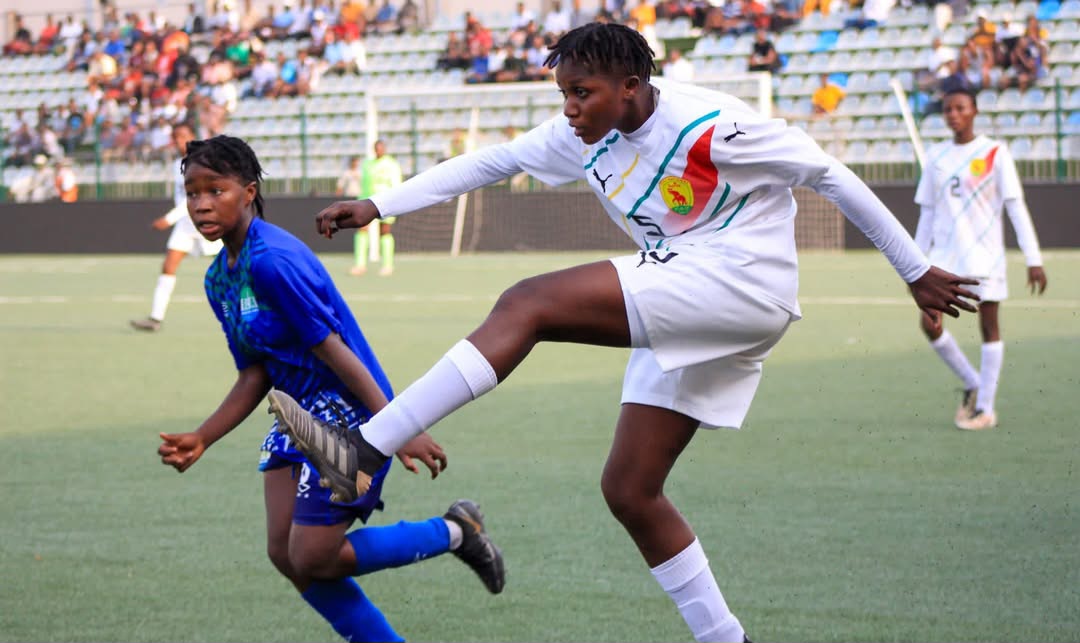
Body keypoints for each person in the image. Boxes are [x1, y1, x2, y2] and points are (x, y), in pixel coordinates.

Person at [271, 23, 977, 642]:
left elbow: (828, 175)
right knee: (630, 490)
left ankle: (363, 449)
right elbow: (494, 162)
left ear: (633, 86)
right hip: (685, 286)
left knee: (529, 302)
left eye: (583, 94)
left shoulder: (711, 125)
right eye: (565, 95)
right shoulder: (580, 133)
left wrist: (914, 269)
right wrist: (379, 203)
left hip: (741, 281)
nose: (571, 110)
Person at [156, 134, 505, 643]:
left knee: (313, 555)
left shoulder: (273, 261)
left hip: (348, 413)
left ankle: (455, 532)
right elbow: (254, 371)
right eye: (192, 192)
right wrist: (204, 436)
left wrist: (399, 425)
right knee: (286, 555)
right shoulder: (219, 279)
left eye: (217, 189)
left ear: (249, 192)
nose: (202, 203)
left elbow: (334, 349)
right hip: (295, 415)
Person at [913, 89, 1047, 431]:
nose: (953, 115)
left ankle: (985, 408)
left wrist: (1034, 259)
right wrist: (913, 262)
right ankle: (974, 383)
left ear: (974, 111)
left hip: (985, 257)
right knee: (929, 325)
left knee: (988, 326)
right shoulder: (936, 157)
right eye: (948, 110)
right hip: (944, 259)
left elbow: (1015, 207)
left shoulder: (994, 152)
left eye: (960, 108)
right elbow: (926, 215)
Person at [131, 123, 224, 332]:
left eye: (184, 136)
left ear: (193, 136)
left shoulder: (201, 163)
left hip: (206, 222)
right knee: (168, 267)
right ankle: (155, 318)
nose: (180, 141)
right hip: (185, 226)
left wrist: (169, 218)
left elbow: (196, 197)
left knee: (231, 269)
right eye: (176, 137)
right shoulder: (177, 164)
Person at [350, 140, 402, 277]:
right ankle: (360, 265)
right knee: (362, 229)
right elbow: (364, 184)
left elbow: (397, 184)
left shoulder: (391, 164)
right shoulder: (367, 164)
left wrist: (395, 202)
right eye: (376, 148)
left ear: (384, 149)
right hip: (368, 202)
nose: (378, 150)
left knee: (384, 231)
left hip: (386, 202)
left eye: (381, 148)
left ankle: (387, 265)